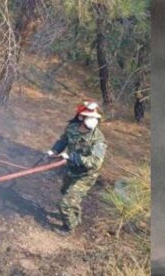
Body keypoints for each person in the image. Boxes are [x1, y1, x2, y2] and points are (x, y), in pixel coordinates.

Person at [47, 101, 107, 235]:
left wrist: (72, 157)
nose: (93, 121)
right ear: (80, 117)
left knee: (66, 204)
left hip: (85, 176)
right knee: (66, 192)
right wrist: (55, 150)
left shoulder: (98, 140)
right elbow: (64, 140)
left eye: (95, 118)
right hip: (71, 170)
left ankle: (69, 228)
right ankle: (76, 217)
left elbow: (95, 162)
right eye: (89, 117)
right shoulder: (72, 128)